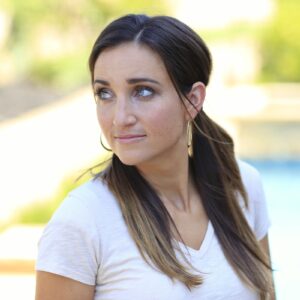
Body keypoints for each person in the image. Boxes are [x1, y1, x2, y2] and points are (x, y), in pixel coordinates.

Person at [35, 14, 275, 300]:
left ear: (193, 100)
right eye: (105, 93)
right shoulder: (82, 221)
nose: (120, 118)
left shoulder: (242, 186)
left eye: (143, 91)